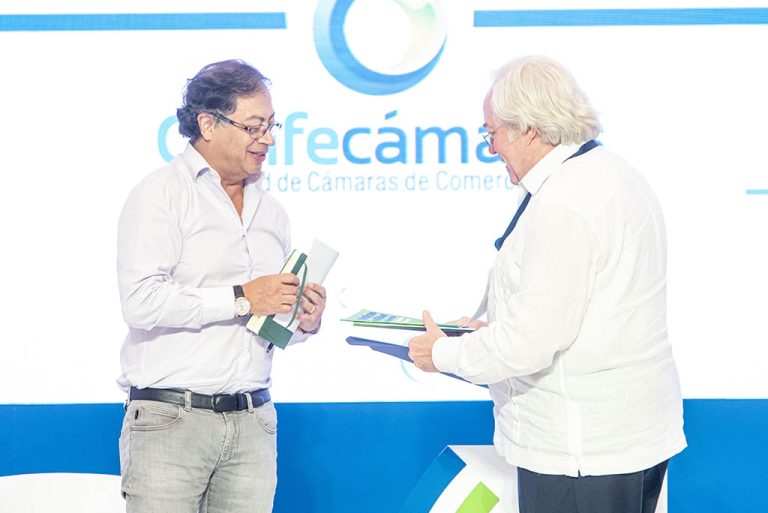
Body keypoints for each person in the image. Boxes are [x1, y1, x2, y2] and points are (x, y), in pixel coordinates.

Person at [408, 55, 686, 513]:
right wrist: (487, 334)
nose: (490, 148)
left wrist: (442, 354)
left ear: (528, 130)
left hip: (580, 452)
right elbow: (584, 312)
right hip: (627, 438)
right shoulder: (612, 174)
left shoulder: (564, 203)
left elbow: (528, 344)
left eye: (492, 133)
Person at [116, 59, 326, 513]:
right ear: (207, 124)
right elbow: (141, 302)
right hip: (171, 421)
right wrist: (242, 298)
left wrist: (303, 319)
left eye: (271, 126)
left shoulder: (272, 212)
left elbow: (270, 327)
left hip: (254, 421)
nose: (267, 139)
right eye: (253, 127)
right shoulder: (160, 194)